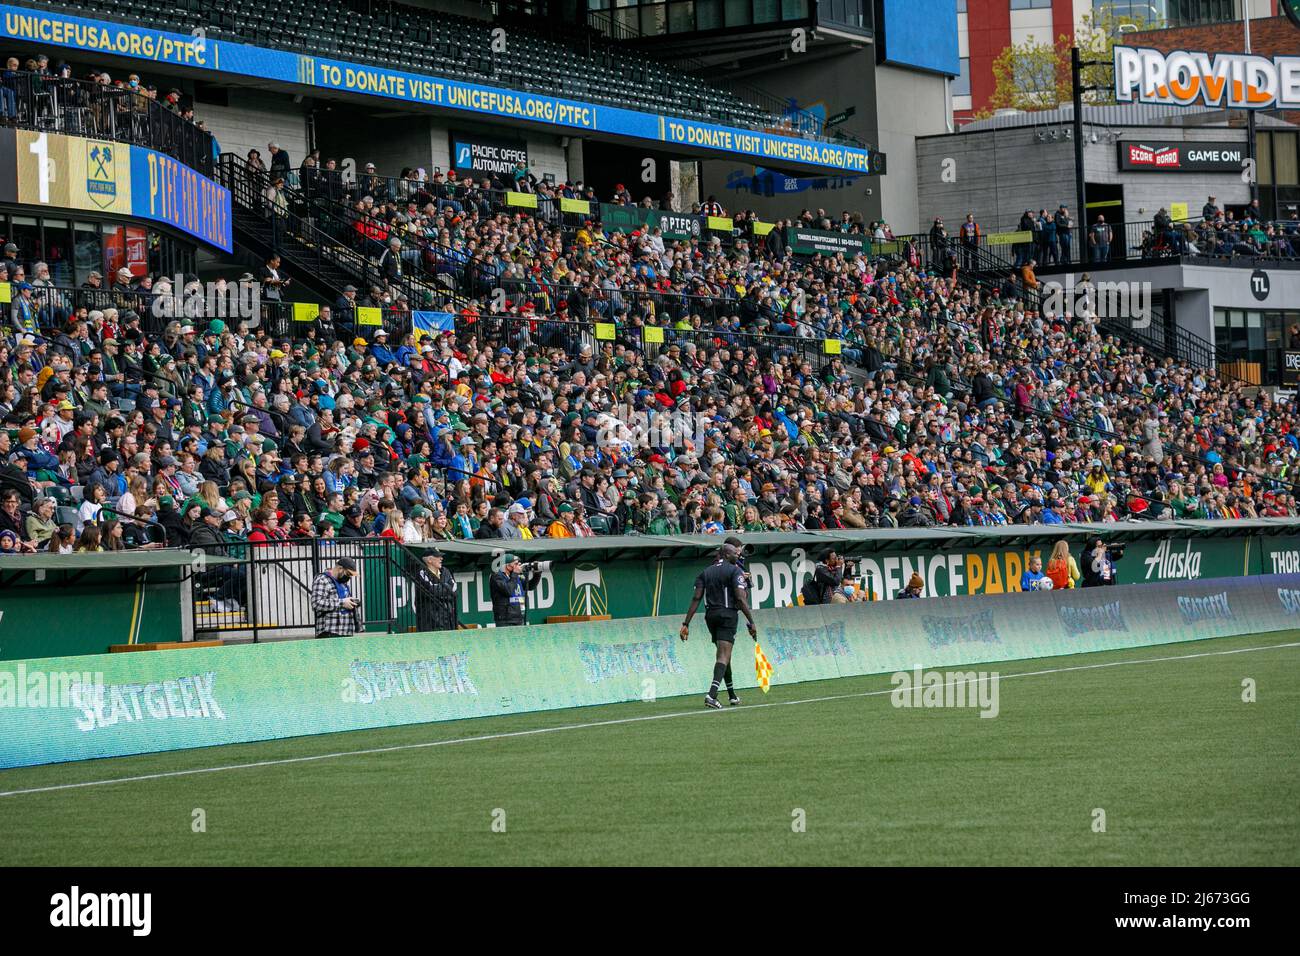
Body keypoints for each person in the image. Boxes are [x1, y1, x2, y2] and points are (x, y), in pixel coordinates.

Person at [679, 542, 757, 710]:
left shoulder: (705, 572)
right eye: (735, 555)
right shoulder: (735, 570)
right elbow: (740, 599)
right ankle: (711, 695)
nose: (737, 557)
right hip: (727, 615)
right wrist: (751, 621)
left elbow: (696, 599)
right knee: (723, 656)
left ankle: (731, 695)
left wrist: (686, 623)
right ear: (726, 555)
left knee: (724, 654)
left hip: (710, 616)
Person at [311, 556, 361, 637]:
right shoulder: (322, 580)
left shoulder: (342, 582)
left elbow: (343, 601)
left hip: (345, 632)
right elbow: (316, 603)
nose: (349, 577)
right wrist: (342, 603)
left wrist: (352, 602)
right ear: (340, 568)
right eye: (348, 574)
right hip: (329, 633)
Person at [489, 552, 541, 627]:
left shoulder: (516, 576)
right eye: (515, 564)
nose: (518, 566)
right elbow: (508, 591)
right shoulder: (496, 577)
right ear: (507, 566)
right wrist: (515, 573)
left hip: (519, 617)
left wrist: (537, 574)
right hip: (505, 619)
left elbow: (530, 586)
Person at [413, 548, 459, 632]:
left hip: (448, 621)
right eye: (438, 556)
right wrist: (446, 588)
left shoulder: (446, 571)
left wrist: (440, 591)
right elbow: (431, 590)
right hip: (430, 623)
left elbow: (455, 590)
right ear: (430, 560)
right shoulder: (421, 573)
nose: (441, 558)